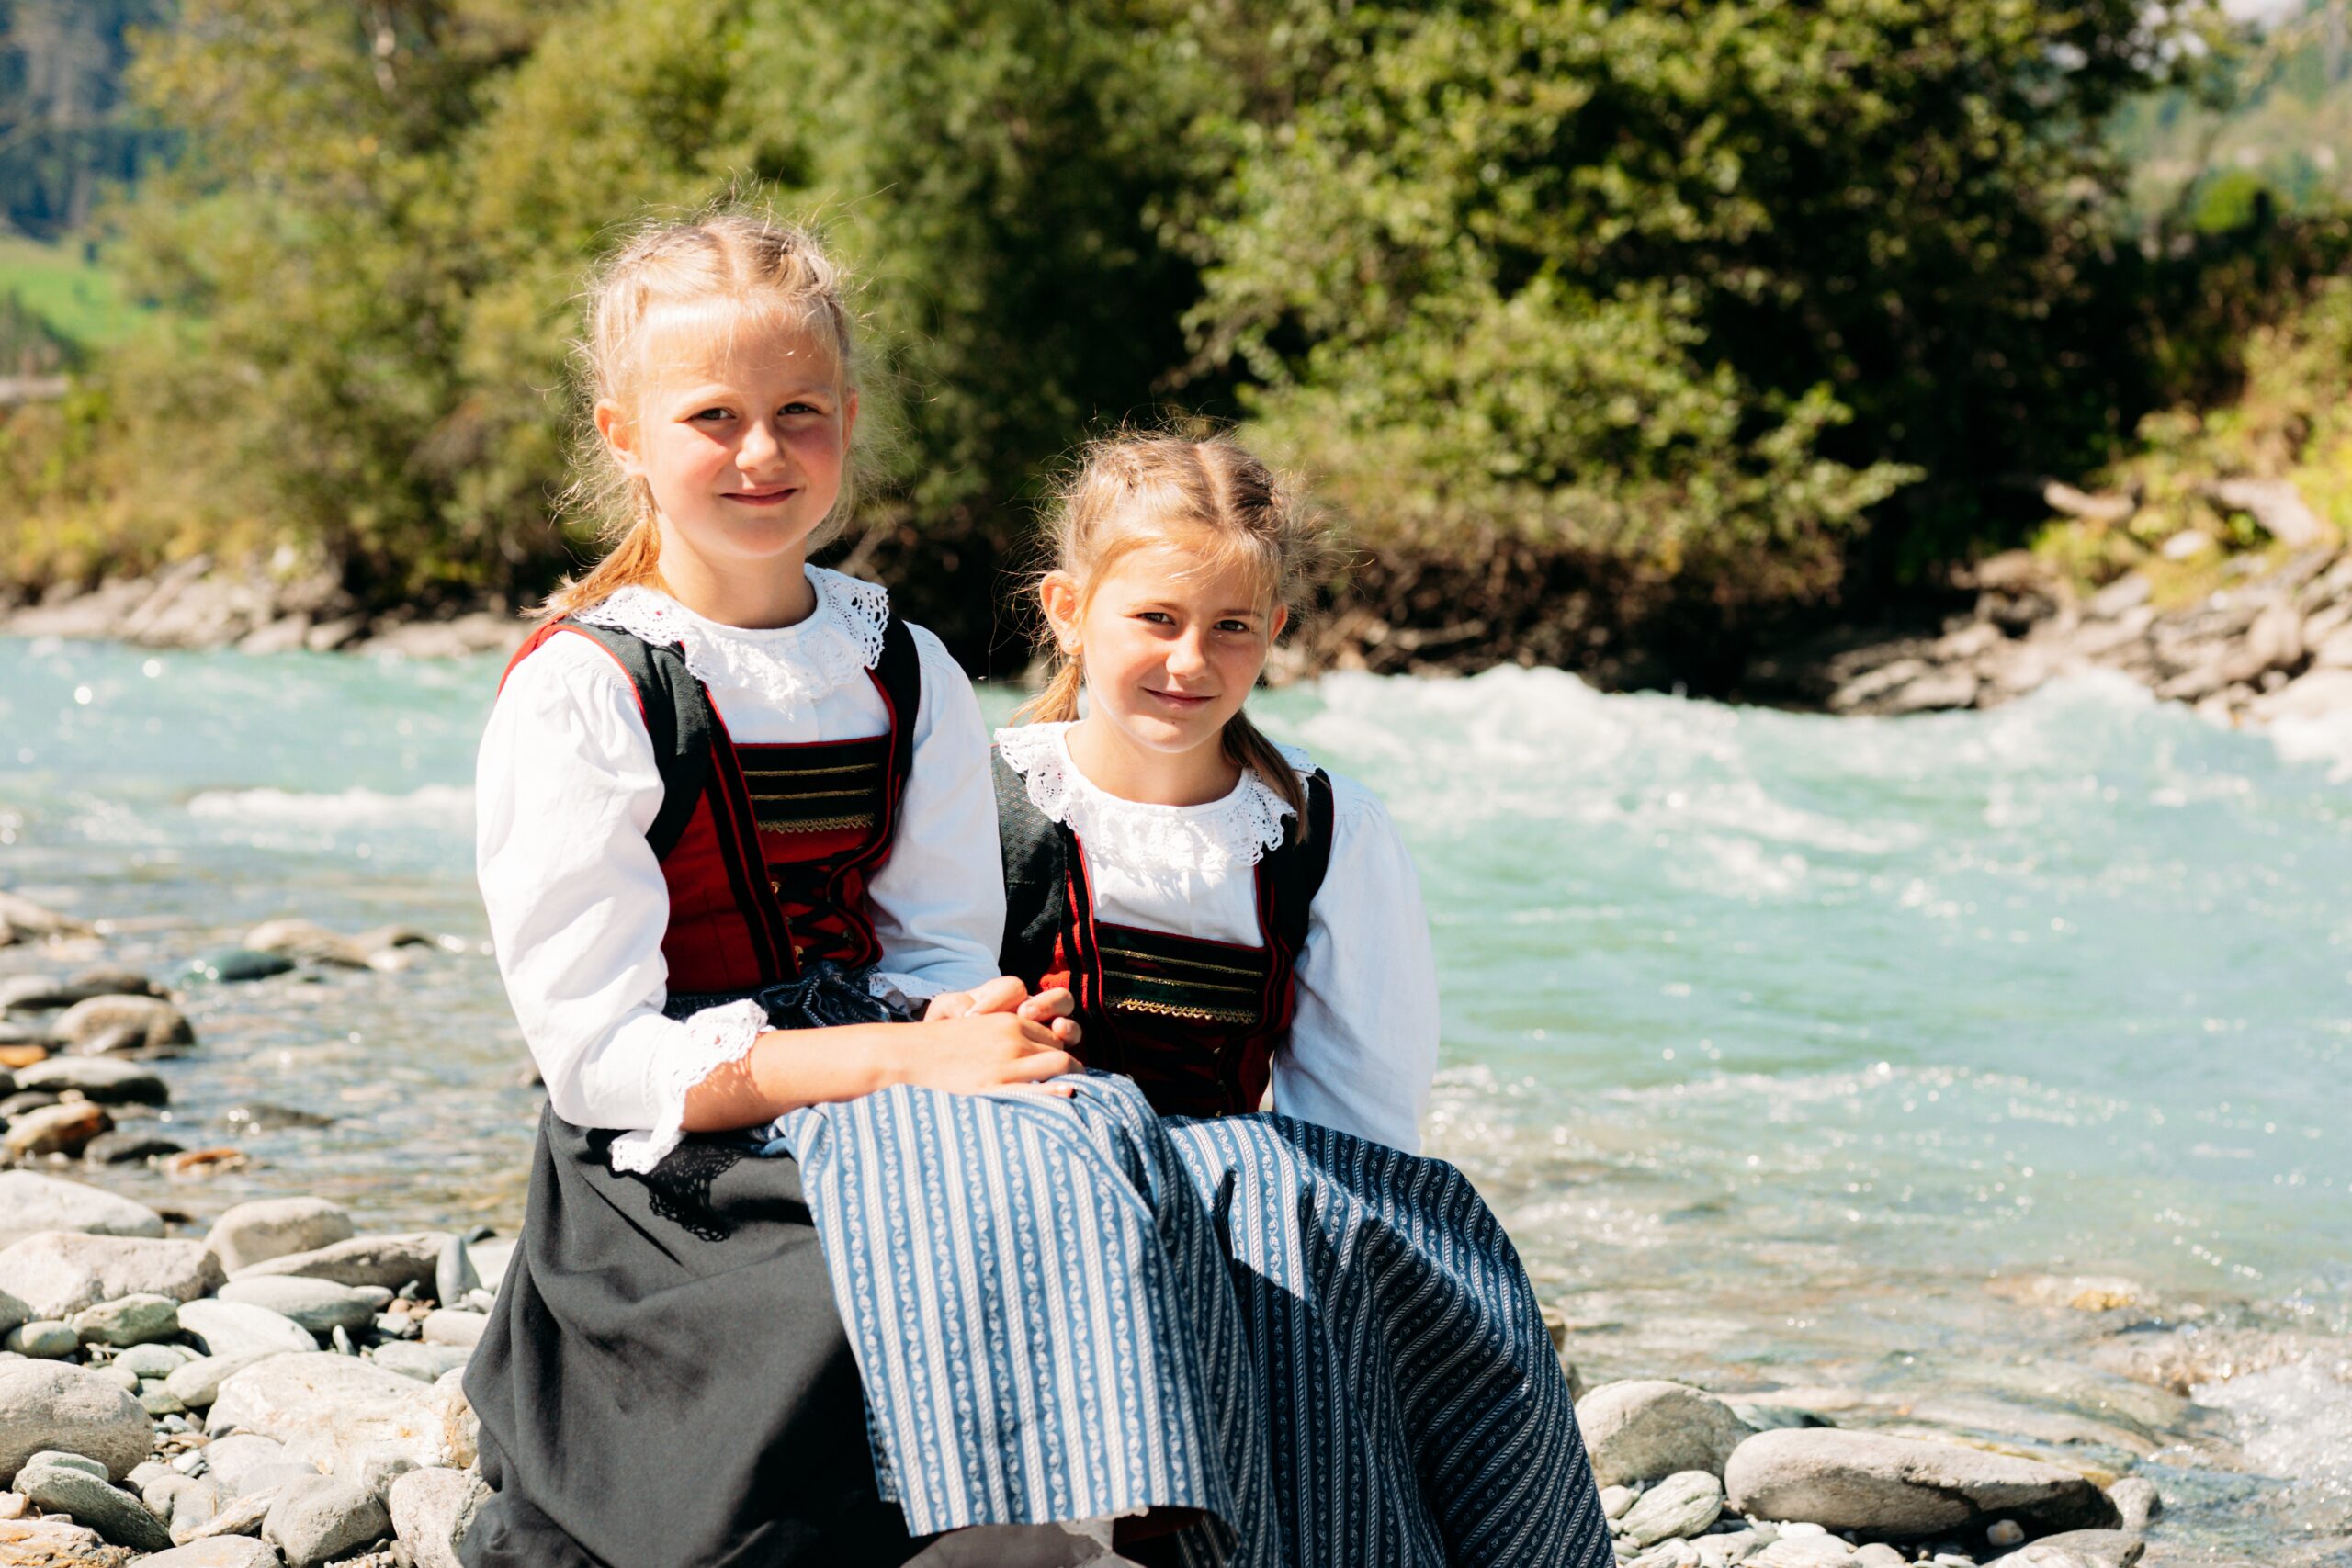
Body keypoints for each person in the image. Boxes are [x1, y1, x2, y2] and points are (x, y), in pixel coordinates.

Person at [460, 212, 1080, 1568]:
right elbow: (597, 1058)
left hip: (884, 1073)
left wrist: (979, 1034)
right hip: (680, 1150)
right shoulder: (589, 688)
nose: (762, 452)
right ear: (624, 434)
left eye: (800, 411)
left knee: (1111, 1168)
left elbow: (936, 948)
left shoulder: (903, 666)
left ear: (848, 420)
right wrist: (895, 1060)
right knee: (849, 1281)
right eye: (713, 415)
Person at [991, 432, 1438, 1152]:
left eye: (1232, 626)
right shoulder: (980, 804)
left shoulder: (1328, 833)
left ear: (1274, 634)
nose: (1191, 660)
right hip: (1023, 1196)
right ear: (1068, 611)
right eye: (1157, 618)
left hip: (1241, 1212)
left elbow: (1362, 1127)